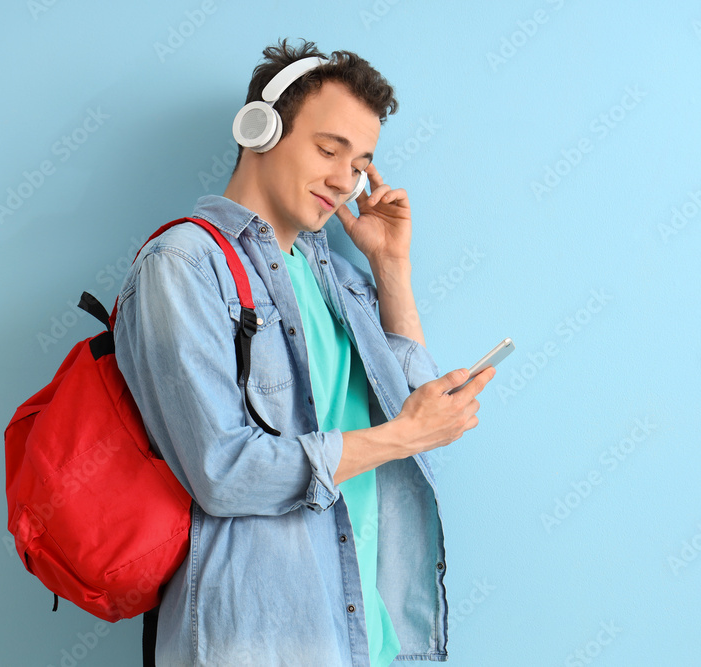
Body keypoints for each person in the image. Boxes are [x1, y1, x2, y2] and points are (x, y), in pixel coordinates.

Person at [113, 37, 495, 667]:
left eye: (361, 162)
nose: (345, 180)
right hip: (258, 636)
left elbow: (416, 416)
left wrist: (390, 267)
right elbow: (224, 472)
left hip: (357, 631)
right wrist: (406, 433)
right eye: (328, 150)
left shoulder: (336, 278)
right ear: (259, 129)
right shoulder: (185, 264)